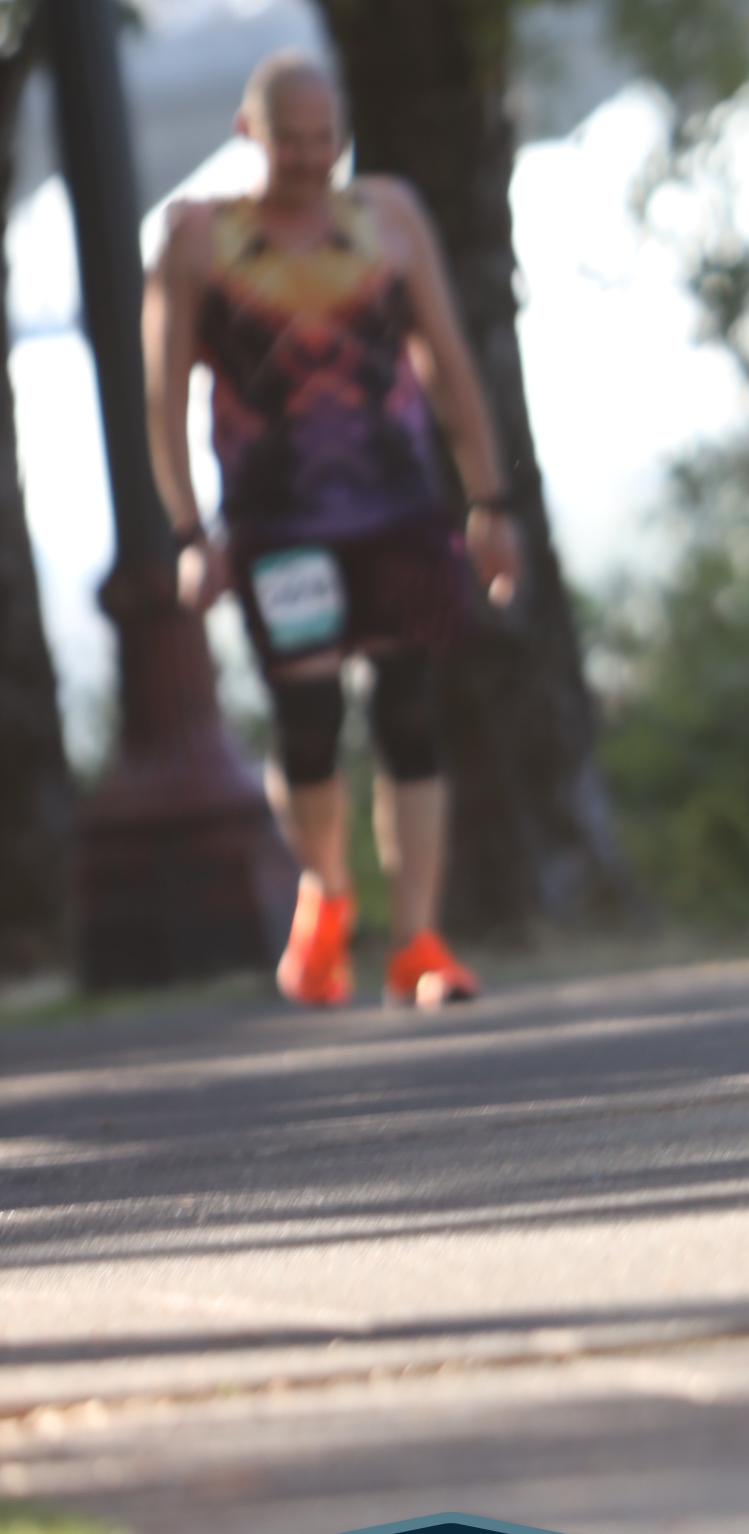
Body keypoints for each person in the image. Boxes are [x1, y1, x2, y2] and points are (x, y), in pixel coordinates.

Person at [144, 51, 521, 1009]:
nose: (313, 159)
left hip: (399, 509)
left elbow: (448, 362)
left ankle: (419, 940)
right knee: (309, 719)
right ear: (249, 134)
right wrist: (189, 533)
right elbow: (161, 397)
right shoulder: (199, 239)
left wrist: (490, 502)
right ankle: (327, 890)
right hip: (279, 523)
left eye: (326, 139)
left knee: (408, 711)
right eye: (292, 141)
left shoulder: (388, 218)